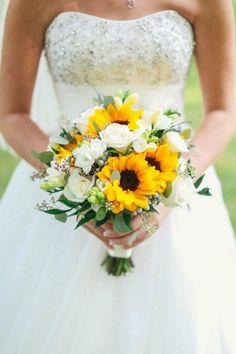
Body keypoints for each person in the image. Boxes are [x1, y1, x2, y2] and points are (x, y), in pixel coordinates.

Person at [0, 0, 236, 353]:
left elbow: (222, 112)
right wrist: (74, 185)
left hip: (177, 194)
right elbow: (12, 115)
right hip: (62, 196)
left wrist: (171, 190)